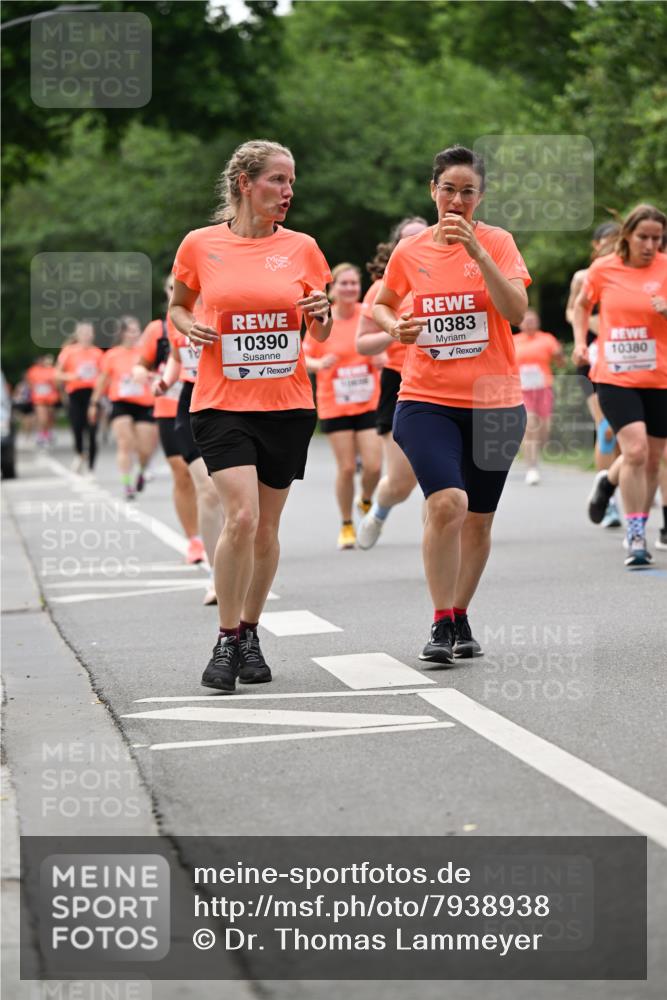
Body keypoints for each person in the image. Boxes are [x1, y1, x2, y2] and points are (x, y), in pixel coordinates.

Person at [169, 139, 332, 693]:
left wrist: (323, 314)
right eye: (277, 181)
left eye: (291, 182)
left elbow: (321, 328)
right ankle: (225, 639)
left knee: (266, 527)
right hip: (220, 402)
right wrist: (185, 325)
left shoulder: (304, 249)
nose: (288, 192)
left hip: (286, 405)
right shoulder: (200, 244)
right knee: (240, 517)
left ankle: (251, 631)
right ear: (245, 182)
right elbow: (178, 304)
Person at [373, 144, 530, 665]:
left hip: (496, 401)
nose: (457, 200)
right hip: (426, 399)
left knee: (479, 521)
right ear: (432, 191)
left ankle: (461, 611)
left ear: (480, 197)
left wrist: (478, 254)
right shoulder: (411, 250)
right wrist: (396, 327)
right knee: (448, 503)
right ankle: (441, 621)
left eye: (468, 192)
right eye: (448, 189)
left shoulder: (499, 243)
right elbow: (382, 303)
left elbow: (514, 311)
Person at [573, 203, 667, 568]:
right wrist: (581, 341)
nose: (650, 245)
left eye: (657, 239)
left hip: (659, 375)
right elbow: (582, 306)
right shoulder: (603, 269)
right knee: (637, 449)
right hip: (614, 375)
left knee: (653, 458)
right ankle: (636, 536)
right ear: (627, 234)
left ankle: (609, 484)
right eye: (643, 237)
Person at [356, 217, 429, 549]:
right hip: (399, 382)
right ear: (396, 246)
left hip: (443, 382)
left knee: (442, 480)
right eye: (407, 238)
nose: (415, 243)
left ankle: (438, 545)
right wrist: (394, 331)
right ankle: (379, 511)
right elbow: (362, 344)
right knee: (401, 482)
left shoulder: (448, 275)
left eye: (422, 236)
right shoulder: (381, 288)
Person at [304, 262, 383, 549]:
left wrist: (380, 358)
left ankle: (365, 501)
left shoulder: (368, 313)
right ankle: (347, 523)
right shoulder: (324, 318)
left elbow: (385, 343)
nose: (350, 288)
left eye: (354, 283)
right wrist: (318, 363)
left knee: (374, 466)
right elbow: (304, 356)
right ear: (333, 288)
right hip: (334, 402)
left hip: (367, 400)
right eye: (344, 283)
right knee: (347, 468)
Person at [154, 296, 223, 605]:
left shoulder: (225, 303)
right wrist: (165, 381)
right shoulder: (176, 315)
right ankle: (215, 577)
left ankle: (237, 565)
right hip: (188, 405)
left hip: (225, 402)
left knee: (234, 497)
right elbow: (177, 357)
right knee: (207, 490)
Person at [134, 278, 203, 565]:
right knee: (182, 472)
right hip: (170, 405)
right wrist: (142, 375)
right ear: (167, 295)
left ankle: (221, 530)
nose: (178, 293)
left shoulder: (211, 314)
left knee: (210, 477)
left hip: (207, 400)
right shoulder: (160, 328)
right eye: (172, 289)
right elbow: (142, 364)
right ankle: (195, 540)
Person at [566, 222, 622, 525]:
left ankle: (617, 483)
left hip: (623, 355)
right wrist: (594, 325)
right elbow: (570, 311)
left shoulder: (628, 273)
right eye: (609, 240)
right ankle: (609, 499)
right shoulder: (583, 277)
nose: (614, 246)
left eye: (618, 240)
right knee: (607, 429)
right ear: (596, 245)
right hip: (590, 355)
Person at [88, 316, 158, 500]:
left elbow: (158, 372)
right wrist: (94, 403)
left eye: (137, 330)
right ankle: (127, 484)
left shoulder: (146, 352)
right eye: (131, 330)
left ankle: (141, 471)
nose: (135, 334)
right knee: (125, 443)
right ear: (122, 333)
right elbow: (102, 380)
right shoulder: (112, 355)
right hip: (121, 403)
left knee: (145, 449)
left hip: (145, 403)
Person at [513, 308, 565, 484]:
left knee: (544, 430)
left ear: (538, 322)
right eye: (526, 321)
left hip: (543, 389)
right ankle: (532, 468)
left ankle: (532, 453)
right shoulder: (513, 341)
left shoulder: (547, 339)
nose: (529, 323)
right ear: (519, 323)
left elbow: (561, 362)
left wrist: (559, 356)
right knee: (531, 425)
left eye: (532, 320)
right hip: (522, 390)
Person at [55, 321, 104, 473]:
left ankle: (91, 467)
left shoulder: (98, 353)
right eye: (83, 333)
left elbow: (104, 376)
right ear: (77, 335)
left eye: (89, 333)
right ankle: (79, 454)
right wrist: (72, 376)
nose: (86, 336)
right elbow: (57, 374)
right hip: (75, 394)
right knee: (77, 427)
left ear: (93, 335)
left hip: (93, 395)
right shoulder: (69, 352)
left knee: (92, 430)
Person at [25, 355, 59, 447]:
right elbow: (30, 382)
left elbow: (57, 383)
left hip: (51, 397)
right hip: (39, 398)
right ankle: (41, 435)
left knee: (50, 417)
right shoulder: (33, 370)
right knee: (42, 417)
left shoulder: (51, 369)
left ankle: (48, 432)